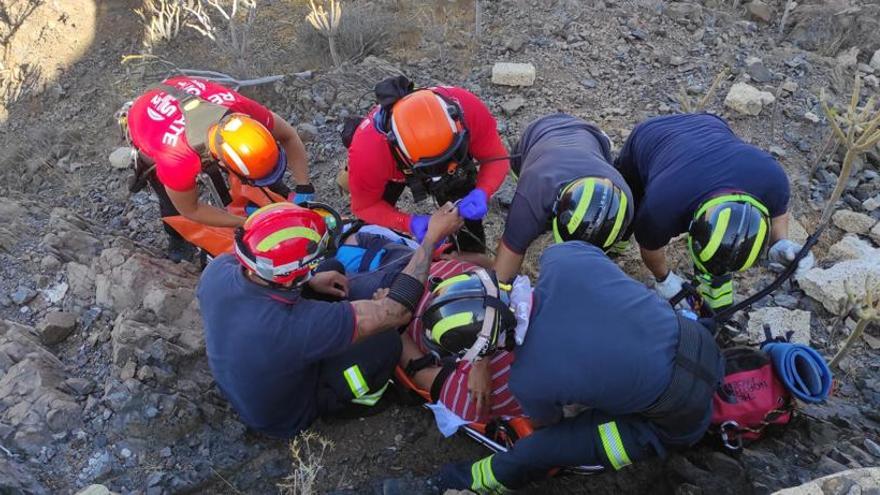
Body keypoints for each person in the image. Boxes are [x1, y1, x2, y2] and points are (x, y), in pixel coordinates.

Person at [438, 241, 724, 492]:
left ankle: (459, 482)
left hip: (683, 417)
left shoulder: (527, 380)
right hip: (700, 341)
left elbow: (548, 423)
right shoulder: (563, 258)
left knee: (540, 448)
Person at [196, 201, 463, 437]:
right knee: (385, 341)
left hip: (256, 375)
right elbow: (396, 312)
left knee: (331, 269)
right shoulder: (298, 326)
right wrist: (431, 238)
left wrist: (310, 280)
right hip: (287, 416)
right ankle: (360, 399)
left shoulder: (218, 270)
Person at [615, 113, 814, 311]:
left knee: (721, 257)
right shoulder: (661, 207)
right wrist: (664, 279)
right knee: (627, 204)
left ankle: (715, 296)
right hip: (650, 134)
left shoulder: (771, 180)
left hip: (709, 124)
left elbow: (778, 214)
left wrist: (781, 243)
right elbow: (650, 248)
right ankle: (618, 243)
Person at [126, 76, 314, 261]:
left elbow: (288, 136)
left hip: (185, 98)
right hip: (146, 117)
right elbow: (190, 210)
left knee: (258, 172)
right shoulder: (177, 160)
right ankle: (176, 237)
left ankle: (273, 196)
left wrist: (304, 186)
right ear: (222, 162)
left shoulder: (244, 111)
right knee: (169, 198)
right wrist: (245, 223)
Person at [345, 77, 510, 252]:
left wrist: (482, 191)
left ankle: (468, 253)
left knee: (462, 203)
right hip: (390, 168)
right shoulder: (368, 154)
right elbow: (366, 206)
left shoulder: (467, 107)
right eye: (432, 168)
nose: (439, 176)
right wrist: (408, 223)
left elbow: (496, 157)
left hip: (452, 164)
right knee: (375, 227)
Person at [495, 113, 634, 283]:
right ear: (556, 203)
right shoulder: (534, 190)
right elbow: (503, 268)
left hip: (591, 136)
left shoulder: (624, 199)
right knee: (527, 223)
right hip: (538, 133)